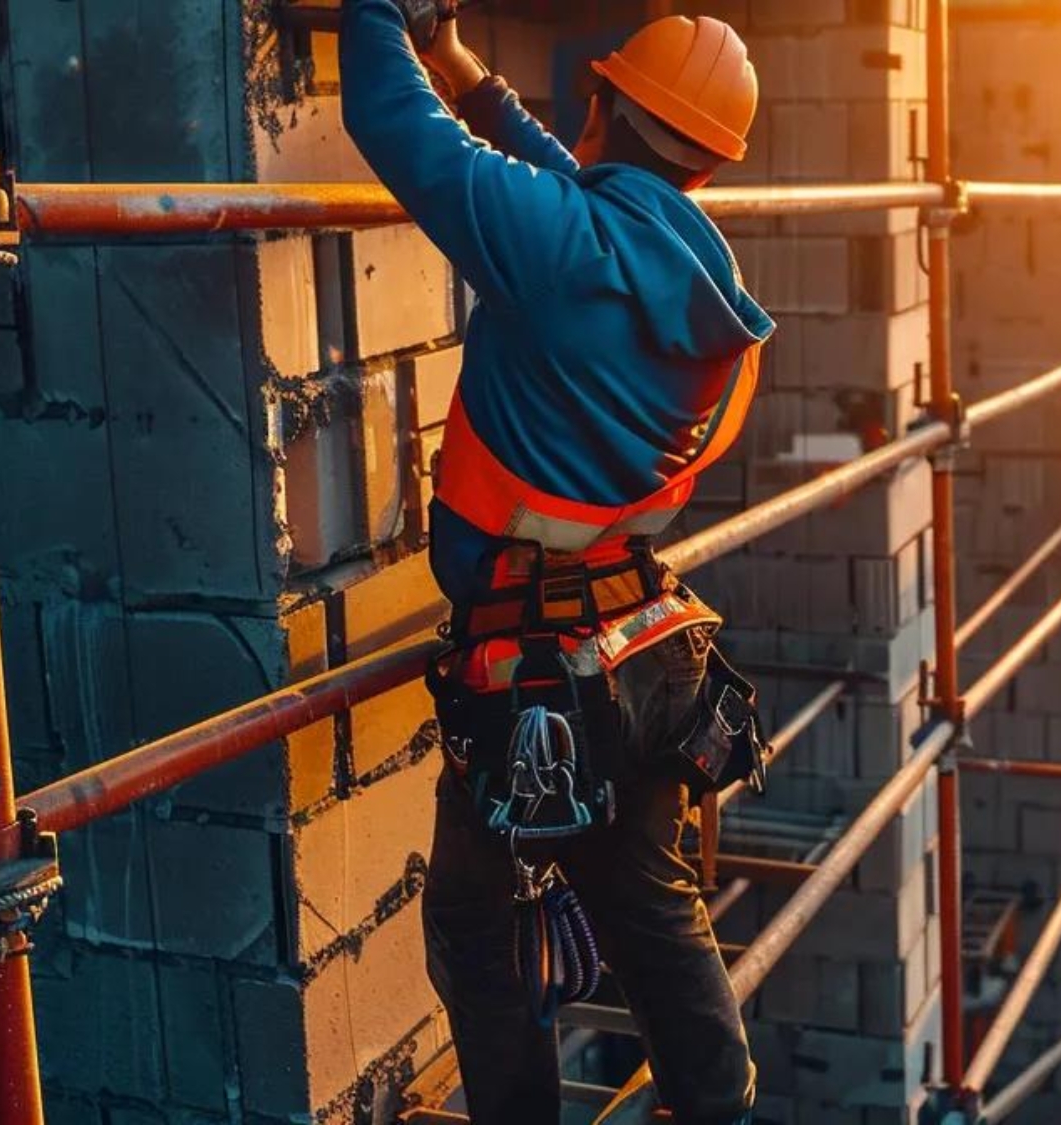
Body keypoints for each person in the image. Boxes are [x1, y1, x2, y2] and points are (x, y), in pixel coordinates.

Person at [340, 4, 771, 1122]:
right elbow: (569, 191)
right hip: (639, 645)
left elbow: (397, 129)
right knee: (646, 901)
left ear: (608, 108)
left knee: (481, 932)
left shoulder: (566, 249)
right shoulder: (695, 267)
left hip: (536, 670)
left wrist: (379, 17)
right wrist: (463, 67)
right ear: (712, 160)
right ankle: (716, 1107)